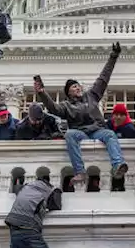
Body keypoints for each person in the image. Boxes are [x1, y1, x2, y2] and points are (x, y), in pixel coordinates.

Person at [36, 42, 128, 185]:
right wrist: (42, 93)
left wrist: (113, 56)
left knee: (110, 134)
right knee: (69, 134)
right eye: (74, 86)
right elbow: (53, 108)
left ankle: (118, 165)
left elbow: (103, 78)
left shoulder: (91, 95)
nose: (77, 88)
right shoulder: (66, 106)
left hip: (97, 130)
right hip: (81, 132)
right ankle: (79, 171)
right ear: (68, 92)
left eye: (78, 85)